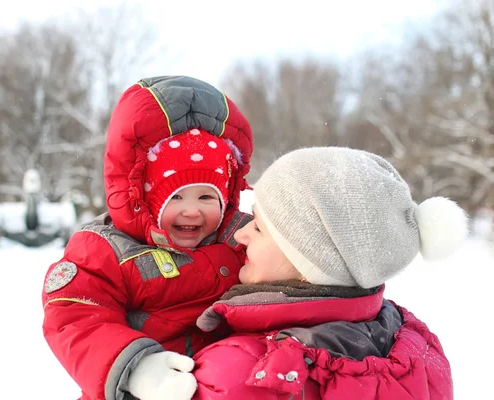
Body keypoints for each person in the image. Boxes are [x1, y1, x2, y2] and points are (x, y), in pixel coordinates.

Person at [192, 147, 466, 400]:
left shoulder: (242, 376)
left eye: (259, 228)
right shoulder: (415, 347)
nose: (240, 234)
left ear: (309, 265)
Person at [41, 76, 253, 400]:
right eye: (176, 198)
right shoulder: (107, 249)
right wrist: (136, 368)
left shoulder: (243, 237)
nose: (192, 212)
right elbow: (75, 315)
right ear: (144, 198)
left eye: (207, 198)